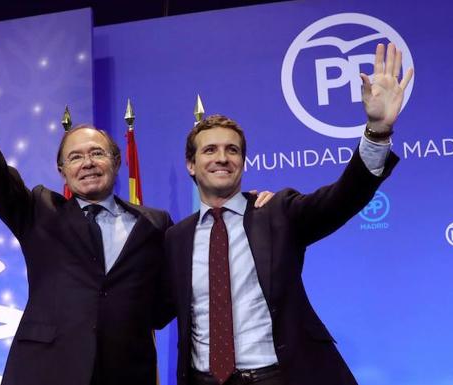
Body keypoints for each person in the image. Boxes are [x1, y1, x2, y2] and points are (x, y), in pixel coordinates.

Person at [0, 7, 271, 385]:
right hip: (45, 371)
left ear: (116, 163)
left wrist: (250, 204)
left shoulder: (155, 223)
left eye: (97, 153)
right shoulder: (37, 210)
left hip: (127, 372)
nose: (88, 163)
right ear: (62, 170)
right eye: (75, 157)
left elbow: (171, 297)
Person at [164, 42, 413, 385]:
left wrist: (377, 131)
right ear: (191, 165)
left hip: (281, 377)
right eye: (210, 150)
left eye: (232, 150)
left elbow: (343, 198)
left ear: (242, 162)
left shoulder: (277, 212)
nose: (222, 158)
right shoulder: (176, 237)